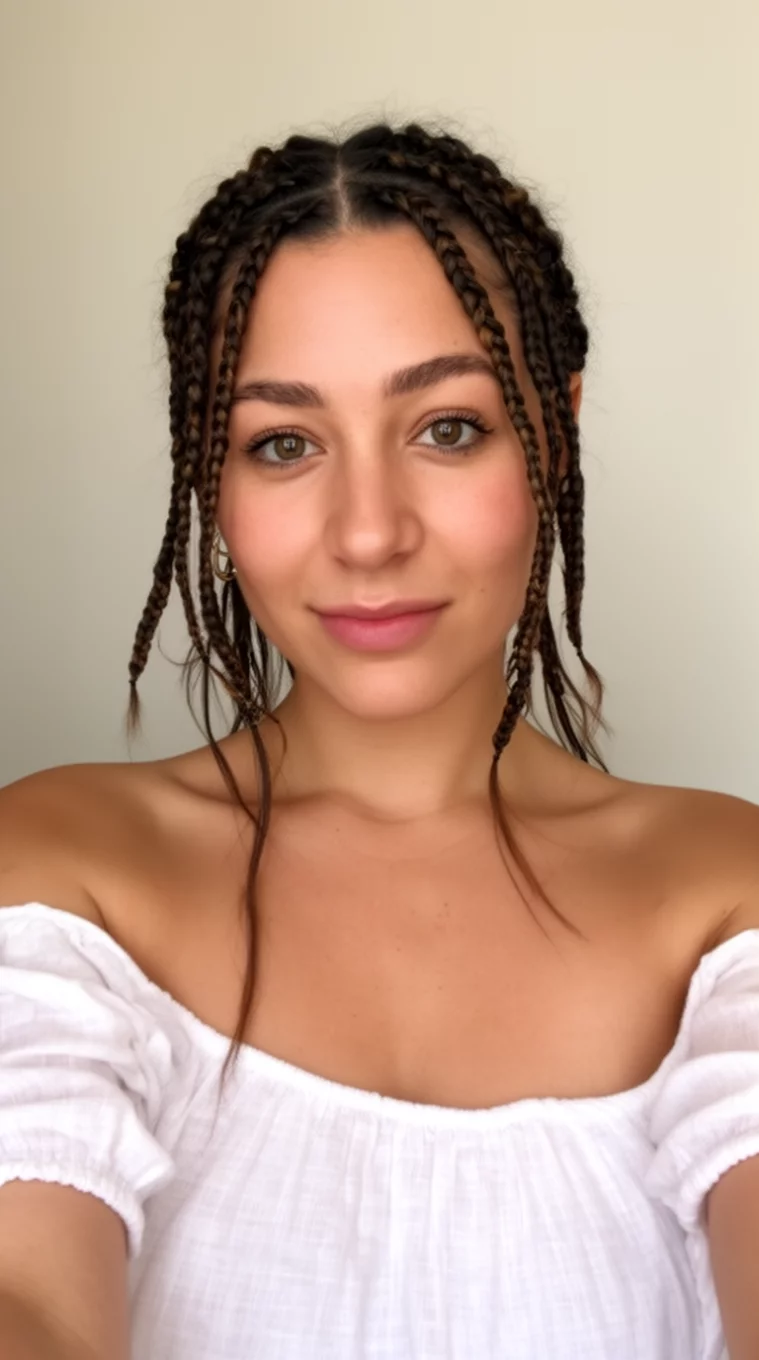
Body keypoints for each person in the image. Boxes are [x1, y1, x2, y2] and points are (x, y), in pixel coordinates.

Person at [0, 118, 757, 1360]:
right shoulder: (61, 868)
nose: (367, 532)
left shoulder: (726, 893)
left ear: (554, 429)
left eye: (447, 426)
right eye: (282, 442)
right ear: (213, 472)